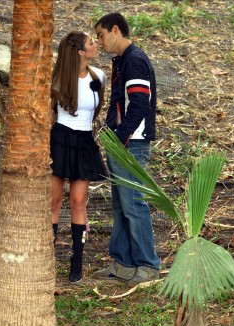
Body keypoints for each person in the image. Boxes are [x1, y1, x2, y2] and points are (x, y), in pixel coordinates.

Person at [93, 13, 160, 284]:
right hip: (121, 142)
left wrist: (120, 137)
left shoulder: (135, 59)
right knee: (121, 205)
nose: (99, 41)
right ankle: (123, 264)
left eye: (101, 34)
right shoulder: (122, 61)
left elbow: (140, 105)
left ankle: (147, 265)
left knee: (134, 204)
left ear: (116, 30)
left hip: (132, 144)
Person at [50, 31, 106, 284]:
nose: (96, 44)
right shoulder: (59, 78)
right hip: (60, 139)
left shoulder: (98, 76)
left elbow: (97, 108)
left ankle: (77, 259)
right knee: (53, 199)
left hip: (84, 140)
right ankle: (47, 255)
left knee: (78, 200)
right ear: (80, 52)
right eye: (91, 43)